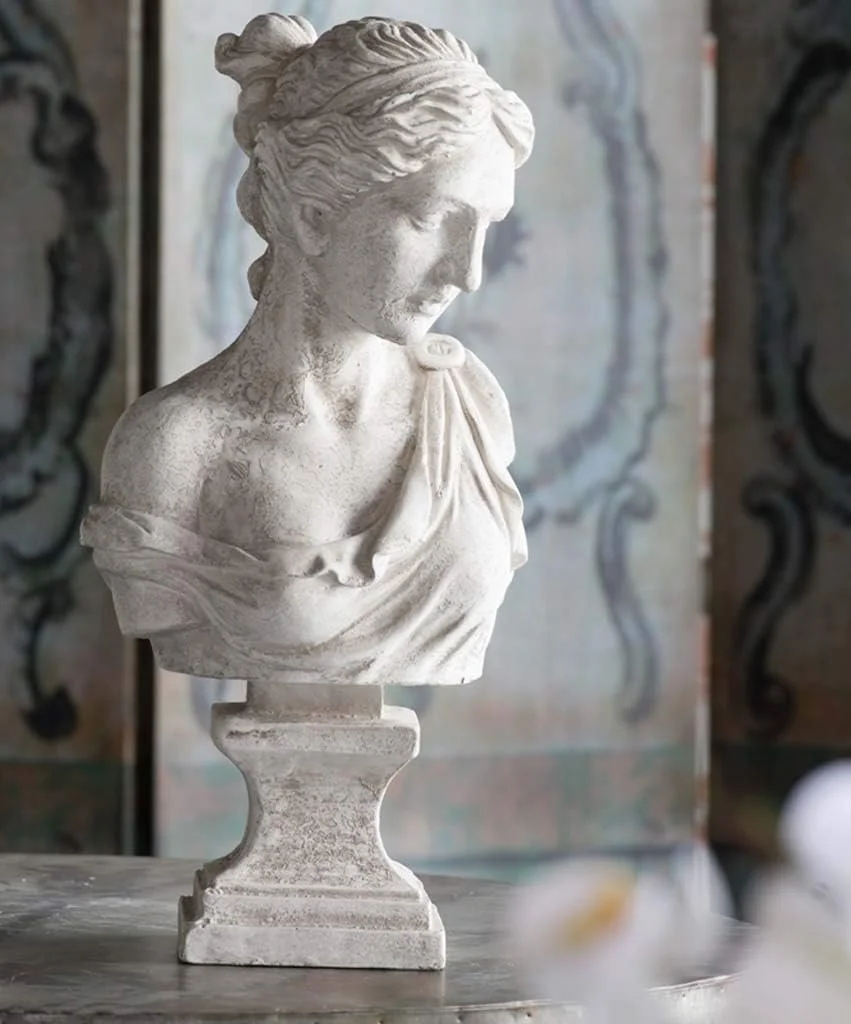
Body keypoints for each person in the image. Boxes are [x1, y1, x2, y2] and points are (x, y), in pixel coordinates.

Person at [81, 15, 534, 685]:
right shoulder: (175, 448)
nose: (467, 273)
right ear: (313, 214)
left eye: (487, 227)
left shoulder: (470, 409)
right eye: (436, 220)